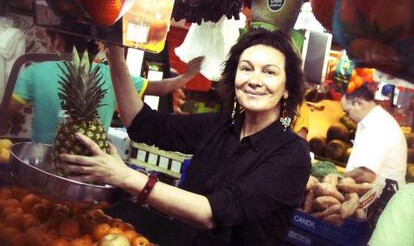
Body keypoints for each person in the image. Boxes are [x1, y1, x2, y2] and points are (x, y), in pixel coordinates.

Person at [60, 28, 311, 245]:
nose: (255, 80)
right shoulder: (220, 125)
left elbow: (213, 213)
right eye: (246, 69)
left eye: (269, 72)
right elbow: (143, 124)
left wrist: (126, 176)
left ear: (287, 89)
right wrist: (115, 55)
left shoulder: (291, 154)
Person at [2, 29, 203, 144]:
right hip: (91, 164)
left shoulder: (36, 71)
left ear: (58, 41)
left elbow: (3, 116)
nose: (46, 47)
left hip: (40, 163)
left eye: (46, 41)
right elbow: (161, 88)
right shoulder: (110, 74)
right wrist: (189, 74)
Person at [340, 85, 407, 186]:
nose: (347, 117)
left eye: (347, 112)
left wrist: (338, 178)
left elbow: (366, 175)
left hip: (383, 198)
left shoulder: (378, 125)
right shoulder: (370, 121)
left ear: (359, 103)